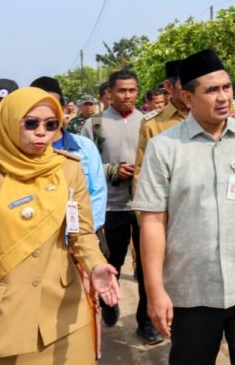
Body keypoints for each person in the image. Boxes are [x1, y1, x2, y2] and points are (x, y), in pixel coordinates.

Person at [134, 48, 235, 365]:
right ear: (188, 98)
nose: (223, 97)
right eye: (211, 90)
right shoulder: (164, 148)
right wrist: (154, 290)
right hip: (192, 289)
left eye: (226, 87)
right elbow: (152, 222)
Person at [0, 87, 121, 365]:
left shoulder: (68, 168)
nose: (42, 132)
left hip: (63, 316)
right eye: (31, 123)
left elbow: (81, 233)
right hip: (0, 319)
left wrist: (96, 265)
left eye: (51, 125)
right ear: (8, 122)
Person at [82, 70, 162, 345]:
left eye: (132, 90)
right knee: (112, 262)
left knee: (149, 268)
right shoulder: (94, 125)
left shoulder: (149, 121)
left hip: (146, 208)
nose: (127, 96)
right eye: (121, 91)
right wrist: (112, 169)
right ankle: (108, 301)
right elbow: (84, 166)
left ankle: (146, 322)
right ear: (109, 93)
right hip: (111, 208)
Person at [29, 77, 107, 233]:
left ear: (63, 108)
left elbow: (97, 194)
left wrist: (79, 236)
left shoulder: (84, 147)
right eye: (39, 106)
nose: (46, 112)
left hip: (83, 237)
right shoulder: (21, 151)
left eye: (52, 105)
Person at [134, 60, 188, 186]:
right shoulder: (152, 124)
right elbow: (142, 171)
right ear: (169, 86)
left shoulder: (208, 118)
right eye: (185, 84)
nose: (192, 90)